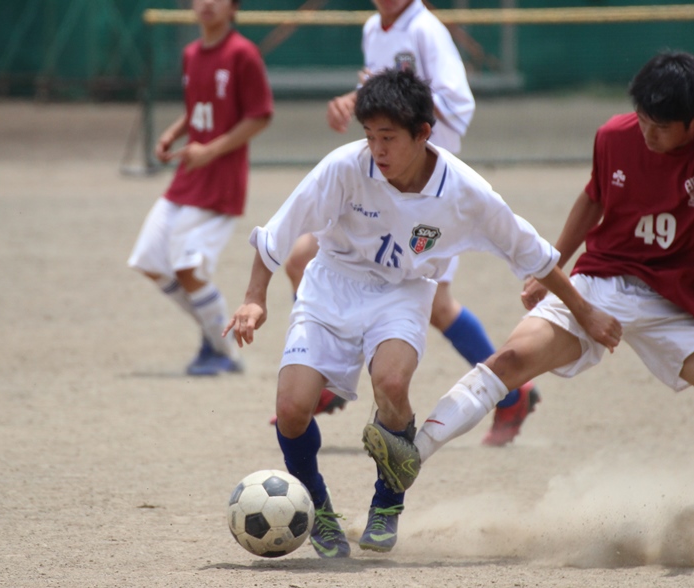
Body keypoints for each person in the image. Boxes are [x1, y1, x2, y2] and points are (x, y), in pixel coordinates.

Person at [223, 69, 617, 558]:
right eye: (370, 136)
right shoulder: (344, 167)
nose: (377, 149)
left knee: (391, 384)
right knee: (291, 408)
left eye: (388, 138)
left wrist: (584, 311)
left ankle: (387, 501)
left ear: (423, 133)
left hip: (402, 292)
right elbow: (277, 233)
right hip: (331, 285)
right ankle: (319, 511)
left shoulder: (465, 192)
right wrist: (254, 297)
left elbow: (533, 253)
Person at [276, 0, 539, 447]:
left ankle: (512, 392)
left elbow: (457, 103)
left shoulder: (425, 29)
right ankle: (327, 369)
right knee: (302, 259)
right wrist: (358, 99)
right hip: (386, 187)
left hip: (426, 196)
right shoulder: (372, 28)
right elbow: (381, 96)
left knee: (437, 305)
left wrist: (406, 123)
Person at [414, 50, 694, 466]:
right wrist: (553, 267)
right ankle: (412, 452)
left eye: (663, 127)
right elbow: (594, 197)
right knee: (510, 359)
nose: (649, 134)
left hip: (675, 297)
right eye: (643, 120)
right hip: (605, 279)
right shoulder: (614, 137)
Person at [127, 0, 272, 376]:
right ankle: (214, 333)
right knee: (148, 260)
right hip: (188, 176)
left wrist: (211, 150)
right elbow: (199, 108)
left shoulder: (243, 53)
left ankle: (223, 351)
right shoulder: (191, 54)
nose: (207, 3)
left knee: (188, 268)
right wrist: (174, 132)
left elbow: (259, 115)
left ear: (234, 7)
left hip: (220, 181)